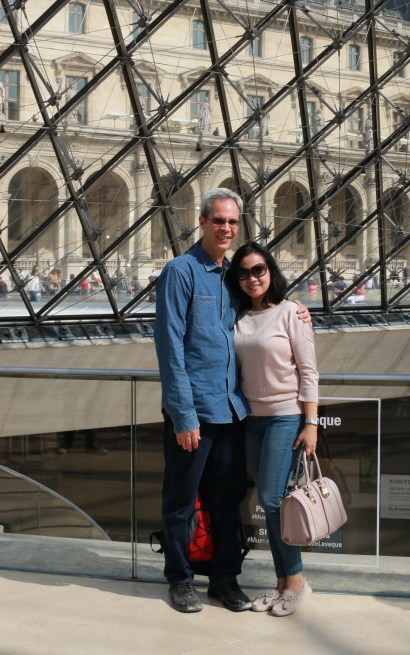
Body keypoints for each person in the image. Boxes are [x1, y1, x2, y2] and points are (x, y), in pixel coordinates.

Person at [153, 187, 254, 614]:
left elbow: (263, 306)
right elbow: (170, 347)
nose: (226, 228)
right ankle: (179, 578)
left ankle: (224, 579)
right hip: (193, 412)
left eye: (232, 222)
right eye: (219, 221)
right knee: (181, 499)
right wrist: (183, 415)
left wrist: (296, 310)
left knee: (228, 501)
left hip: (232, 409)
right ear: (202, 222)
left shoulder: (233, 275)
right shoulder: (180, 271)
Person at [229, 240, 318, 617]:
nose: (252, 278)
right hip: (251, 419)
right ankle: (283, 582)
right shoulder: (235, 316)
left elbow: (309, 371)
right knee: (272, 501)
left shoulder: (291, 313)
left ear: (271, 272)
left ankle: (295, 580)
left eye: (259, 270)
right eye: (244, 272)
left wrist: (311, 422)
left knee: (271, 498)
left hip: (285, 416)